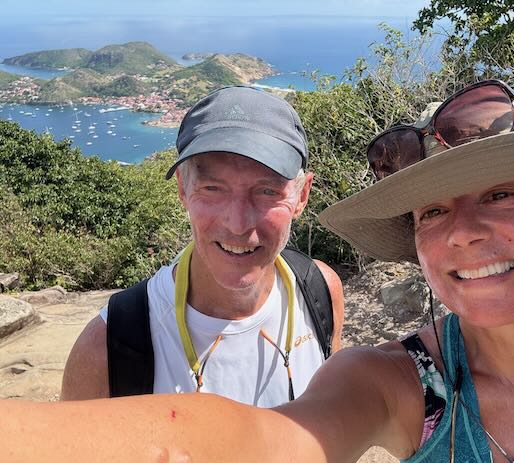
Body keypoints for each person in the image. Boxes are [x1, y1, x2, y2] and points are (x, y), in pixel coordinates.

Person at [2, 80, 514, 463]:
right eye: (433, 210)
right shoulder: (399, 383)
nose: (463, 233)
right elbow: (273, 445)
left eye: (501, 194)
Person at [60, 85, 345, 405]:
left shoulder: (320, 291)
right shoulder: (107, 349)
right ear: (183, 189)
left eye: (267, 191)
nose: (237, 224)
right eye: (212, 188)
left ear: (302, 195)